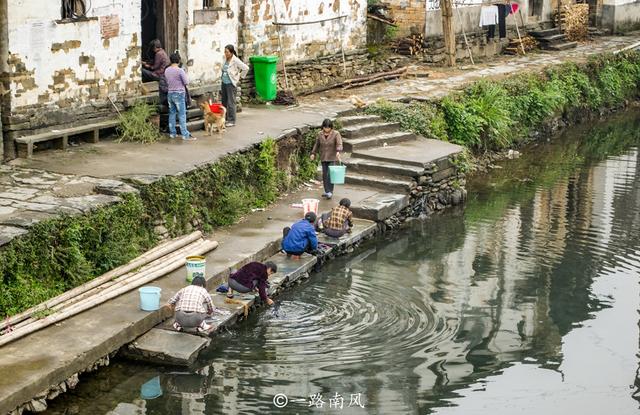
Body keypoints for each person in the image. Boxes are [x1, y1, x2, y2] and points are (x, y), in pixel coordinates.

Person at [164, 52, 195, 141]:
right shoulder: (180, 70)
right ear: (178, 60)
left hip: (170, 94)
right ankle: (185, 134)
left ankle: (172, 133)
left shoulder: (167, 70)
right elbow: (186, 82)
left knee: (172, 113)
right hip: (179, 94)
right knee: (182, 114)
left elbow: (167, 81)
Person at [310, 119, 343, 199]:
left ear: (331, 127)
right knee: (325, 175)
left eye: (328, 128)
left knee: (330, 175)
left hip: (332, 157)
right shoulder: (320, 134)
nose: (327, 129)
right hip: (323, 157)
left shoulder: (336, 134)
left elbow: (339, 143)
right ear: (323, 127)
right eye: (325, 127)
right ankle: (326, 191)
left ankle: (330, 192)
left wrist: (338, 151)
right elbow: (316, 144)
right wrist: (313, 153)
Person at [220, 45, 249, 127]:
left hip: (231, 84)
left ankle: (232, 120)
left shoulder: (235, 60)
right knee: (224, 102)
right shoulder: (225, 58)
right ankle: (224, 119)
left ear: (231, 52)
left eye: (227, 52)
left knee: (231, 103)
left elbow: (246, 68)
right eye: (225, 51)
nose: (225, 53)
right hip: (224, 83)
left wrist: (239, 77)